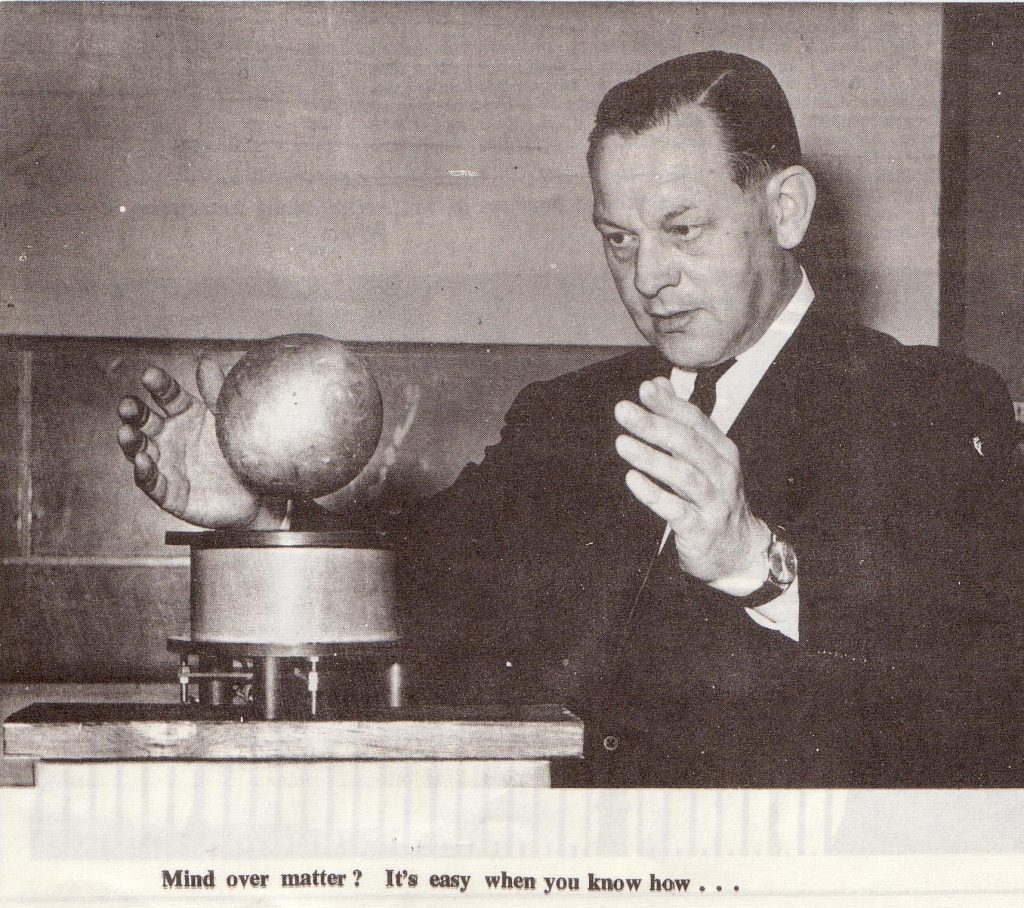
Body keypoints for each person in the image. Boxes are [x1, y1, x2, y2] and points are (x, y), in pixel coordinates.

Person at [118, 51, 1019, 787]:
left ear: (783, 209)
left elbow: (973, 689)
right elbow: (418, 582)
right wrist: (267, 506)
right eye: (618, 239)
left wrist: (756, 562)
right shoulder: (564, 419)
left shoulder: (930, 408)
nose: (648, 278)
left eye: (683, 229)